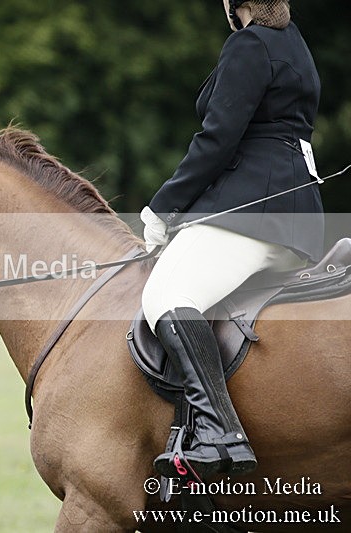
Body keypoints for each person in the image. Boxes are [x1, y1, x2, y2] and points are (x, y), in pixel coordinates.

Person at [140, 0, 323, 479]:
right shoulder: (294, 43)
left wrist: (164, 207)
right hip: (298, 217)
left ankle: (220, 432)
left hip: (255, 209)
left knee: (165, 295)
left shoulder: (249, 43)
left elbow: (218, 138)